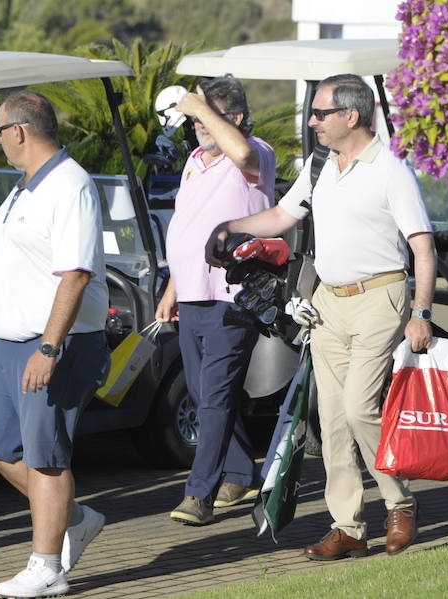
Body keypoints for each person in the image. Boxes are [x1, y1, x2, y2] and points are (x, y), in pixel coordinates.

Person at [205, 74, 436, 560]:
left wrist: (421, 312)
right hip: (328, 302)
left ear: (351, 116)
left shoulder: (391, 168)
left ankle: (399, 502)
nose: (312, 122)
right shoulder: (318, 165)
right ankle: (348, 525)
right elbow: (282, 217)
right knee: (330, 419)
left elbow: (422, 245)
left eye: (320, 113)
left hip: (381, 297)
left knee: (358, 409)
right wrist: (231, 228)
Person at [0, 90, 111, 598]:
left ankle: (47, 566)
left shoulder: (70, 185)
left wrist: (49, 348)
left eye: (1, 130)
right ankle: (74, 518)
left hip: (51, 343)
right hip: (4, 341)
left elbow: (74, 275)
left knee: (47, 457)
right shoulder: (23, 186)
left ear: (19, 132)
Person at [155, 75, 276, 526]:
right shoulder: (194, 160)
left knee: (215, 396)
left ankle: (199, 493)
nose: (199, 124)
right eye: (196, 116)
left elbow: (240, 151)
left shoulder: (254, 152)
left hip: (233, 295)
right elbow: (188, 224)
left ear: (237, 118)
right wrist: (173, 289)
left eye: (211, 115)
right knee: (207, 391)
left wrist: (197, 105)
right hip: (193, 296)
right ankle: (242, 472)